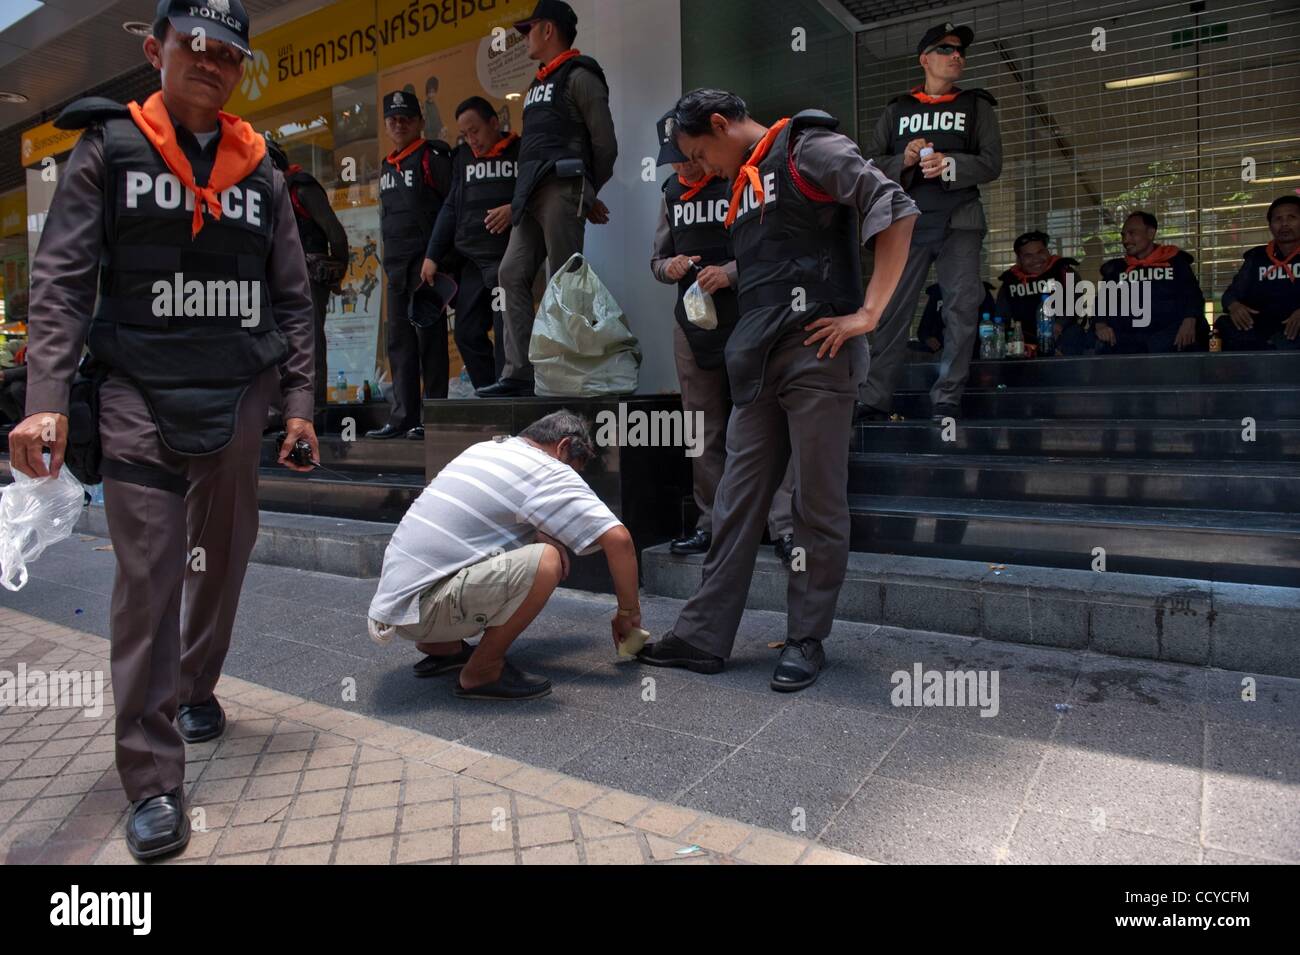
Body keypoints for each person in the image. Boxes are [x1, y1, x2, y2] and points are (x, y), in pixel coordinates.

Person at [7, 0, 317, 861]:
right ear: (156, 50)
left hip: (238, 393)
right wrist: (48, 397)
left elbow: (293, 298)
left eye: (229, 53)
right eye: (196, 46)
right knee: (147, 582)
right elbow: (63, 279)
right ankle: (152, 778)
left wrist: (299, 403)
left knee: (220, 558)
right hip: (139, 393)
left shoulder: (262, 172)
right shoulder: (106, 149)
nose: (212, 62)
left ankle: (195, 686)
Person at [635, 89, 918, 692]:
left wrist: (868, 313)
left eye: (698, 152)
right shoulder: (742, 181)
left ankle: (806, 636)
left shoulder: (806, 146)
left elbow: (893, 204)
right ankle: (703, 637)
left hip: (819, 352)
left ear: (718, 124)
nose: (698, 168)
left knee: (817, 505)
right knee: (735, 504)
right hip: (754, 365)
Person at [366, 411, 642, 699]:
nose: (574, 477)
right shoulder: (546, 468)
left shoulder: (486, 449)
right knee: (547, 561)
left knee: (521, 545)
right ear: (563, 447)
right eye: (575, 468)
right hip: (425, 608)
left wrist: (540, 533)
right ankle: (482, 672)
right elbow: (618, 540)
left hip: (397, 605)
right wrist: (627, 613)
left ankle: (442, 647)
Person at [648, 108, 796, 563]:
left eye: (690, 155)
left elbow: (773, 246)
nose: (685, 165)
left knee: (768, 421)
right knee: (700, 429)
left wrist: (731, 272)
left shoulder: (740, 176)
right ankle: (709, 523)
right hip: (692, 322)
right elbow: (657, 259)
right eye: (675, 159)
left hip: (749, 314)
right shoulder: (671, 193)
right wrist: (667, 267)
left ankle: (784, 525)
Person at [857, 21, 1002, 422]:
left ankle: (947, 399)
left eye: (960, 51)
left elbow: (992, 163)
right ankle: (874, 396)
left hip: (960, 221)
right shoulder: (898, 109)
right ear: (925, 59)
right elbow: (867, 166)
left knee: (960, 309)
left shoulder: (976, 105)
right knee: (890, 310)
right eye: (946, 49)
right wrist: (903, 159)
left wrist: (952, 163)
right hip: (907, 224)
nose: (957, 55)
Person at [477, 0, 616, 398]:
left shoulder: (581, 75)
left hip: (561, 187)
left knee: (565, 279)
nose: (525, 38)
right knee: (511, 274)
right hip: (532, 194)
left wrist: (585, 191)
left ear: (549, 30)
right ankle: (519, 372)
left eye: (530, 29)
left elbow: (605, 144)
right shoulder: (538, 84)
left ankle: (574, 373)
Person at [368, 89, 452, 439]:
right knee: (399, 343)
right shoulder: (387, 165)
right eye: (393, 119)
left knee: (430, 342)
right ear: (387, 125)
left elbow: (452, 207)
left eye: (406, 118)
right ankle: (402, 416)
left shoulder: (433, 156)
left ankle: (432, 417)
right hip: (396, 268)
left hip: (426, 265)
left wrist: (439, 257)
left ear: (419, 121)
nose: (399, 124)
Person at [423, 96, 520, 389]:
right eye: (464, 134)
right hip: (473, 262)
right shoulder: (462, 158)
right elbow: (451, 207)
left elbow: (537, 191)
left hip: (510, 258)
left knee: (508, 337)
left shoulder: (519, 150)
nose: (471, 140)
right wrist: (432, 254)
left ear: (494, 122)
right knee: (465, 332)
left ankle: (511, 398)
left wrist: (514, 208)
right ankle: (490, 394)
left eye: (475, 131)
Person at [265, 137, 349, 415]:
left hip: (310, 274)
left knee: (307, 338)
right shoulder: (267, 191)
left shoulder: (301, 186)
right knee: (280, 341)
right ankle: (284, 407)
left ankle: (315, 408)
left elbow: (335, 232)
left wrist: (337, 272)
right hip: (279, 277)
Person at [1096, 211, 1206, 354]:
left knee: (1196, 329)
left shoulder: (1175, 261)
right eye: (1123, 235)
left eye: (1132, 233)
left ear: (1151, 233)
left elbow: (1193, 294)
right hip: (1129, 338)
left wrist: (1190, 319)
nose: (1125, 240)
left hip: (1169, 336)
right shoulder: (1118, 268)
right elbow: (1102, 301)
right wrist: (1100, 325)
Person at [1216, 196, 1300, 351]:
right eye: (1278, 219)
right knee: (1224, 324)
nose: (1284, 224)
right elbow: (1230, 294)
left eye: (1292, 218)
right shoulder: (1257, 257)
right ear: (1270, 226)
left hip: (1294, 328)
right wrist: (1234, 306)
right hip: (1261, 328)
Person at [993, 230, 1089, 354]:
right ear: (1019, 260)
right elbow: (1000, 318)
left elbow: (1077, 304)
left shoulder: (1064, 272)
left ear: (1048, 252)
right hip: (1024, 340)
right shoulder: (1011, 281)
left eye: (1040, 252)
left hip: (1063, 335)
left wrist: (1059, 325)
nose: (1036, 260)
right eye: (1028, 256)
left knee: (1074, 333)